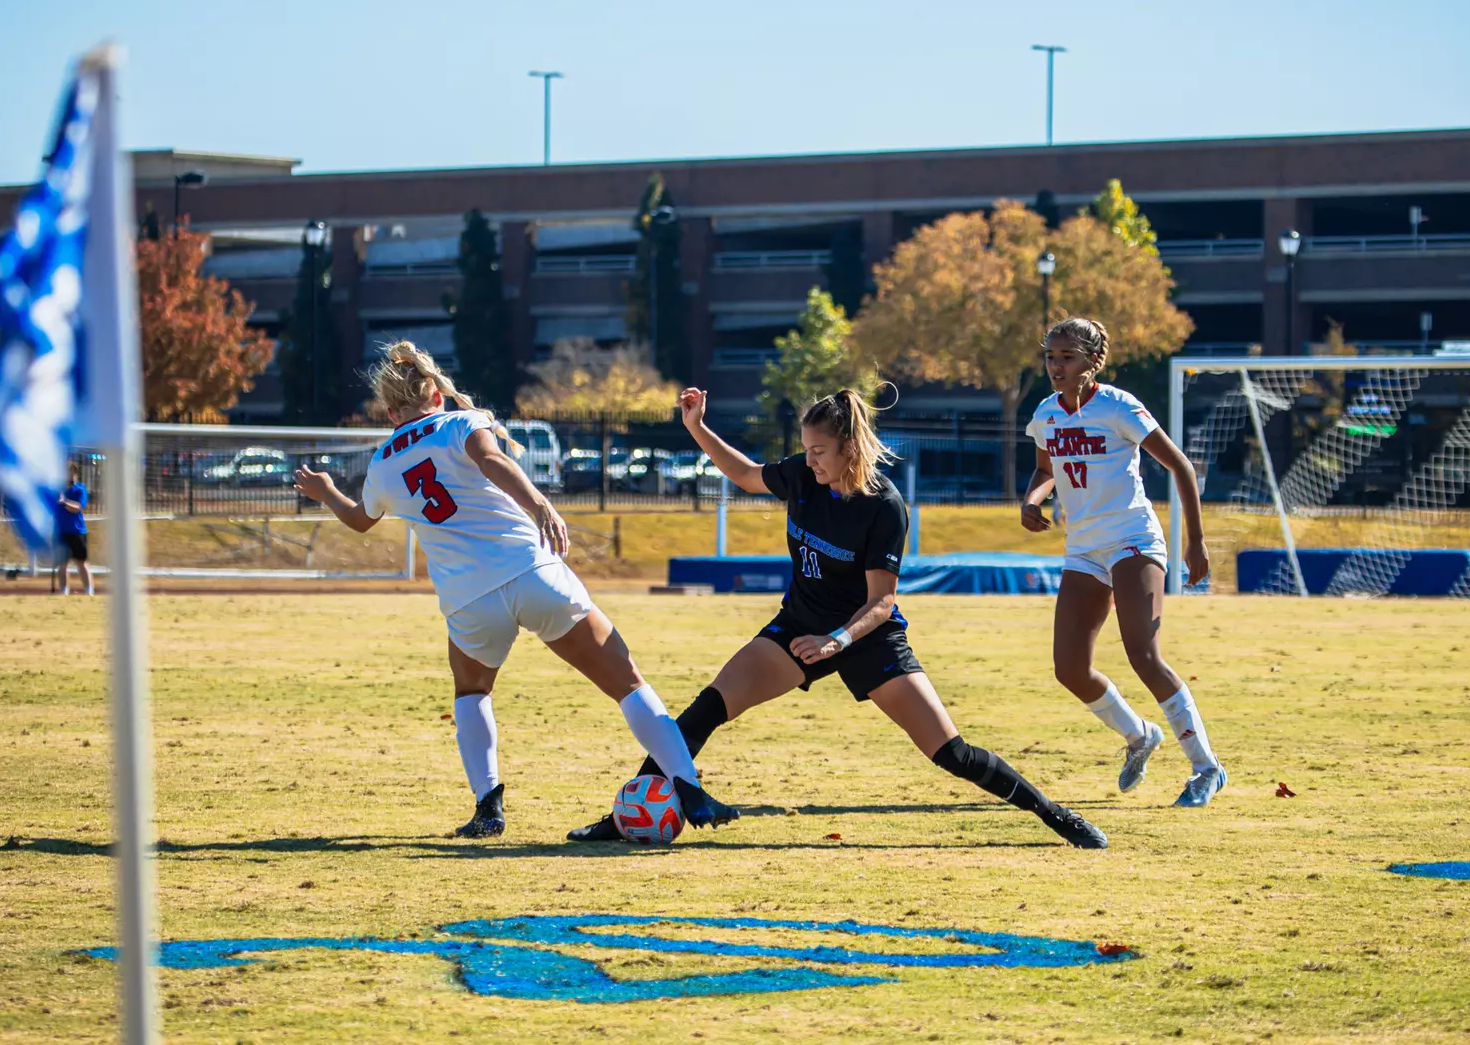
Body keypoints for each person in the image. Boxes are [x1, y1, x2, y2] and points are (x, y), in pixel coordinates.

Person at [568, 385, 1109, 849]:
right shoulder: (803, 478)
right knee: (705, 710)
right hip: (796, 628)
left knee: (951, 752)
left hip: (866, 638)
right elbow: (747, 474)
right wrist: (698, 427)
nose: (810, 461)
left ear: (850, 447)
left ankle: (1055, 816)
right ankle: (623, 819)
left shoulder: (883, 506)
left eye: (820, 450)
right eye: (805, 450)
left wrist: (836, 640)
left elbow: (881, 604)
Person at [293, 341, 738, 839]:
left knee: (472, 691)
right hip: (531, 572)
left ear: (390, 411)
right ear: (436, 396)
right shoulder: (461, 421)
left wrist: (325, 490)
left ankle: (488, 807)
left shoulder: (380, 465)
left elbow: (359, 521)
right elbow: (492, 462)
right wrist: (540, 505)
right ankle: (690, 788)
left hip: (469, 600)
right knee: (627, 682)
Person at [1020, 316, 1225, 807]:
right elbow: (1045, 470)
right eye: (1051, 356)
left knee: (1143, 654)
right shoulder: (1047, 413)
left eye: (1067, 357)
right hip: (1084, 547)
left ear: (1094, 362)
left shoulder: (1119, 406)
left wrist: (1194, 544)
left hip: (1133, 538)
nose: (1056, 366)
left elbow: (1181, 467)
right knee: (1069, 668)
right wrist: (1033, 500)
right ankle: (1139, 736)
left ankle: (1206, 768)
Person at [53, 460, 92, 597]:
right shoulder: (57, 489)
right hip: (60, 532)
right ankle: (64, 591)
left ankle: (89, 591)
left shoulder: (80, 489)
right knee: (62, 565)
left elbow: (77, 508)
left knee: (81, 563)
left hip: (77, 532)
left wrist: (64, 502)